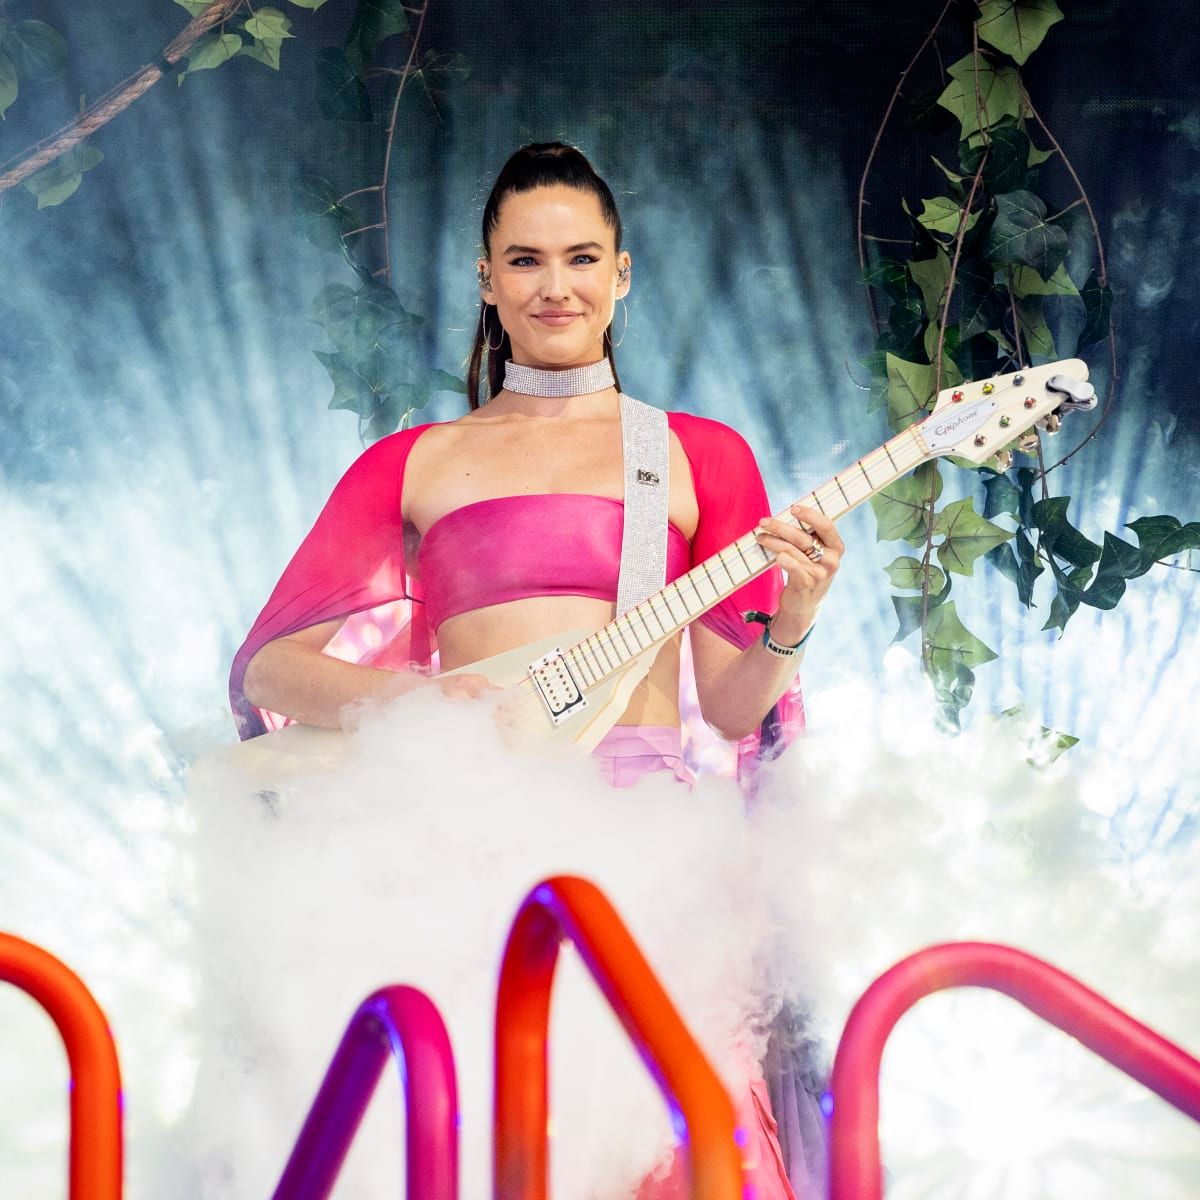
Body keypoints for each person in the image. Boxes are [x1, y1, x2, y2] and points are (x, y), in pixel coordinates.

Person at [228, 142, 843, 1198]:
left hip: (648, 863)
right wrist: (420, 703)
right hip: (465, 844)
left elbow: (738, 708)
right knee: (470, 1145)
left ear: (622, 273)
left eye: (580, 257)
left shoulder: (697, 455)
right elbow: (272, 672)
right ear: (485, 280)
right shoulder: (414, 460)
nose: (554, 285)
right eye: (523, 260)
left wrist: (794, 619)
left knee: (681, 1150)